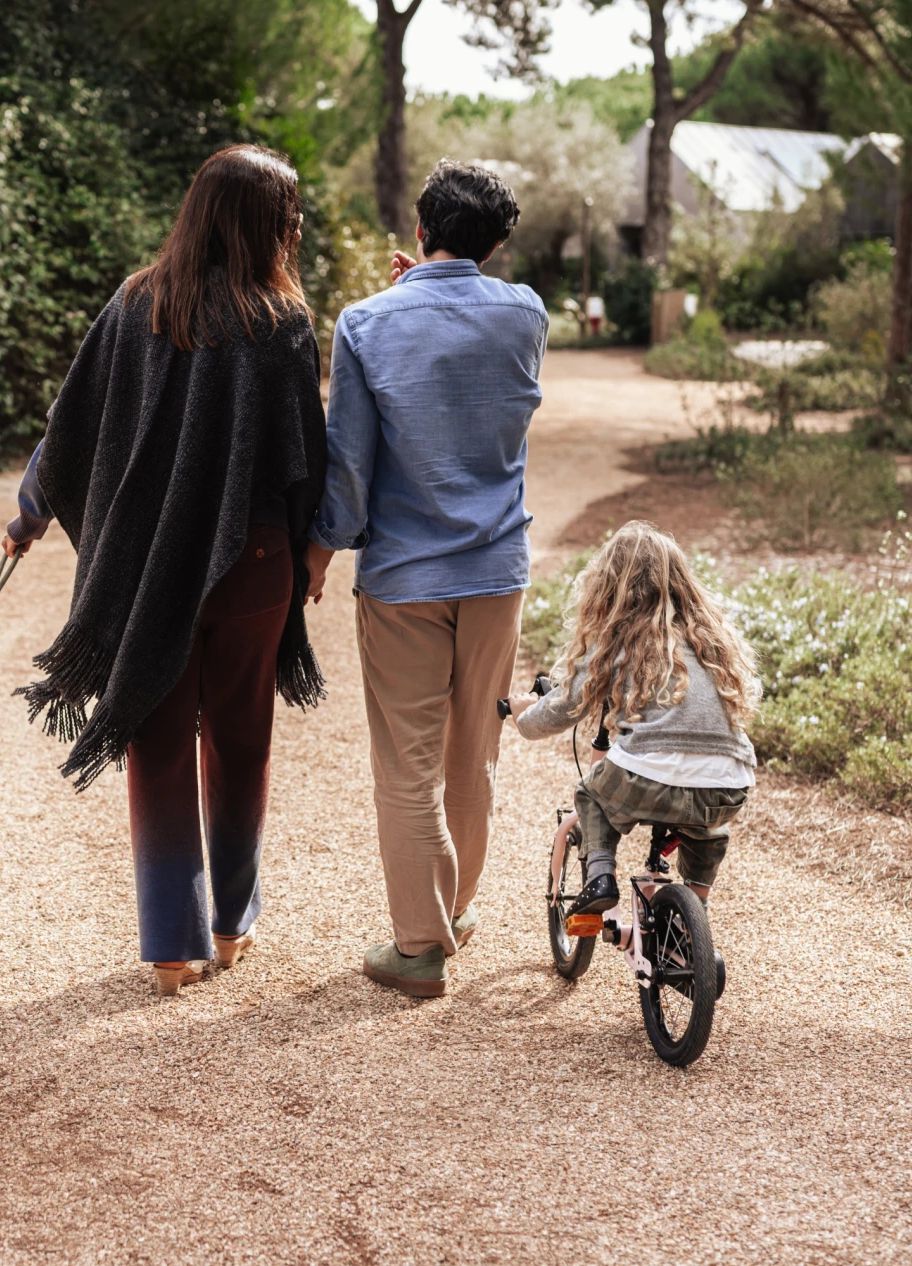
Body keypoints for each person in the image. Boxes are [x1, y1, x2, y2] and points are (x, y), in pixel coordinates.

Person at [4, 144, 328, 996]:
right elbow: (304, 462)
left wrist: (30, 514)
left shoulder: (133, 303)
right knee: (241, 739)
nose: (296, 228)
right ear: (259, 223)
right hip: (252, 567)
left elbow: (68, 428)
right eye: (288, 215)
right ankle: (229, 926)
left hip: (149, 565)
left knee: (154, 736)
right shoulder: (282, 321)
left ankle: (174, 947)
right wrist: (310, 557)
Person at [305, 161, 547, 999]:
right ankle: (457, 909)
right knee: (471, 756)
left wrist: (323, 549)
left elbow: (349, 461)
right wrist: (434, 288)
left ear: (418, 231)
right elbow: (466, 334)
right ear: (499, 242)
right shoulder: (528, 314)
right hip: (496, 574)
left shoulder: (365, 324)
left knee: (405, 767)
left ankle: (419, 946)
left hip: (406, 577)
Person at [510, 521, 760, 909]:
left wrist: (522, 716)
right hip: (729, 782)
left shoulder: (617, 643)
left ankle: (600, 878)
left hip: (648, 777)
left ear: (608, 588)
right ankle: (696, 906)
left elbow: (563, 707)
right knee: (708, 827)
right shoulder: (712, 643)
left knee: (591, 796)